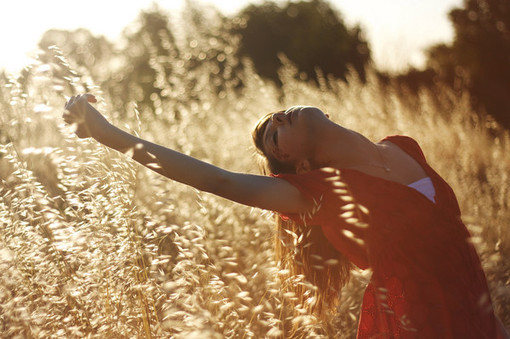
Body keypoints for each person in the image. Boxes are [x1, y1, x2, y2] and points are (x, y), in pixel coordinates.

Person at [63, 94, 508, 338]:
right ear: (301, 168)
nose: (276, 120)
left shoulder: (404, 145)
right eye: (273, 137)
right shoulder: (323, 193)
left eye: (275, 121)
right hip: (418, 324)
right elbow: (220, 182)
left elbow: (458, 249)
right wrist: (106, 133)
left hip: (475, 313)